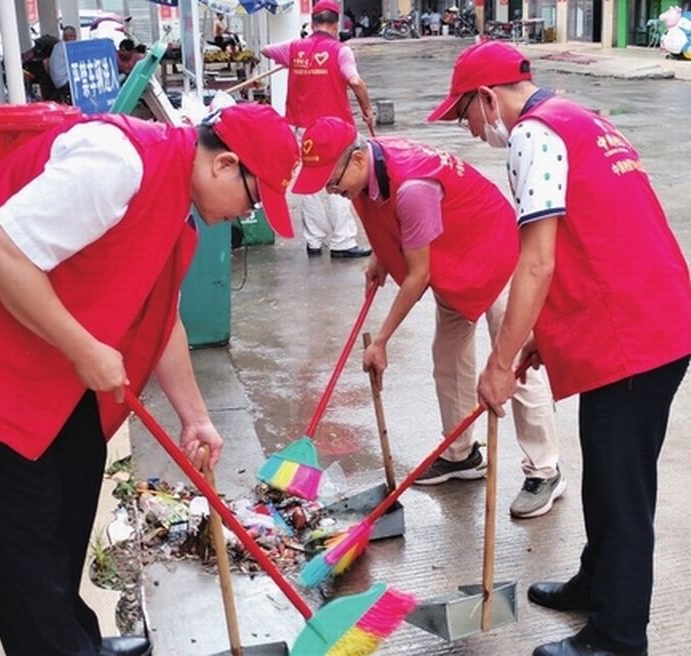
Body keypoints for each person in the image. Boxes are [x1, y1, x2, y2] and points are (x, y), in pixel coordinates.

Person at [0, 103, 300, 656]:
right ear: (226, 164)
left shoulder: (179, 201)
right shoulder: (118, 163)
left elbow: (164, 316)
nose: (244, 217)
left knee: (76, 480)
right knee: (23, 531)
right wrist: (84, 348)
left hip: (34, 343)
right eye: (253, 201)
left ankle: (75, 636)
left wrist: (195, 416)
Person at [429, 41, 691, 656]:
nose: (469, 129)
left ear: (488, 97)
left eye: (464, 113)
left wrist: (498, 364)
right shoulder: (581, 119)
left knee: (620, 488)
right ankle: (597, 583)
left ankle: (618, 636)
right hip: (658, 315)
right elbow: (593, 234)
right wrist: (542, 339)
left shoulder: (532, 135)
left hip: (635, 336)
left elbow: (538, 262)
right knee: (609, 475)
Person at [293, 115, 564, 518]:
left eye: (333, 182)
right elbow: (386, 218)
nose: (333, 192)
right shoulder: (370, 166)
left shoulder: (414, 187)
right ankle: (460, 456)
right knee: (448, 358)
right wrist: (379, 256)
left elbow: (417, 277)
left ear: (355, 161)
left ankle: (544, 471)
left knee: (512, 365)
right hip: (451, 258)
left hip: (496, 252)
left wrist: (382, 341)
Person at [260, 0, 373, 259]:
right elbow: (354, 80)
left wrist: (294, 59)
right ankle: (342, 241)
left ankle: (314, 240)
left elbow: (266, 50)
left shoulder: (294, 48)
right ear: (336, 25)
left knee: (308, 182)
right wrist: (367, 109)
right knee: (338, 178)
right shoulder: (340, 51)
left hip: (301, 126)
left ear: (312, 24)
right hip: (334, 130)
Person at [45, 25, 78, 103]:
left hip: (57, 80)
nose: (73, 39)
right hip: (63, 81)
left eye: (74, 37)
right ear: (64, 37)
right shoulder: (66, 47)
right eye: (70, 36)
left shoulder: (57, 46)